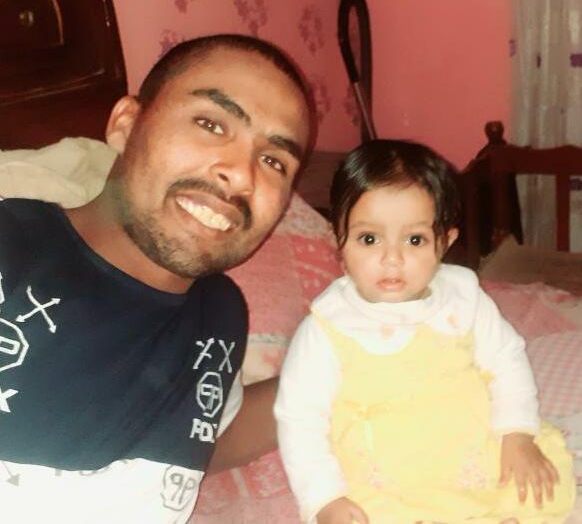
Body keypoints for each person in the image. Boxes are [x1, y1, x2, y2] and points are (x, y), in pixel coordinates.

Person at [0, 34, 312, 523]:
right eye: (211, 124)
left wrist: (340, 364)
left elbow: (203, 439)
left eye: (274, 161)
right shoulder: (11, 245)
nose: (242, 176)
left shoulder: (221, 312)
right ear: (126, 124)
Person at [275, 139, 575, 524]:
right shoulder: (326, 329)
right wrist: (324, 499)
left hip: (469, 456)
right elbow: (300, 421)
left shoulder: (464, 300)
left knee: (538, 482)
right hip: (387, 482)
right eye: (369, 239)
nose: (392, 258)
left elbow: (506, 361)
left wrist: (517, 433)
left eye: (414, 240)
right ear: (340, 240)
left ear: (444, 242)